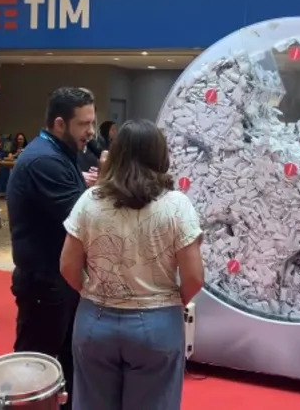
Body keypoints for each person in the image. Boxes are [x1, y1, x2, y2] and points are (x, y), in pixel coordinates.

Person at [60, 120, 204, 410]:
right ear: (160, 155)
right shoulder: (176, 205)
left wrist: (93, 292)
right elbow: (194, 277)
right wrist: (170, 303)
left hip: (95, 319)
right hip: (157, 321)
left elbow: (68, 267)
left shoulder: (90, 201)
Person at [7, 87, 96, 410]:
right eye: (83, 124)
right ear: (60, 124)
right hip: (44, 282)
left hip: (59, 280)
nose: (90, 132)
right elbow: (81, 218)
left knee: (67, 362)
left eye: (92, 122)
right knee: (34, 372)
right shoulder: (44, 160)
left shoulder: (60, 152)